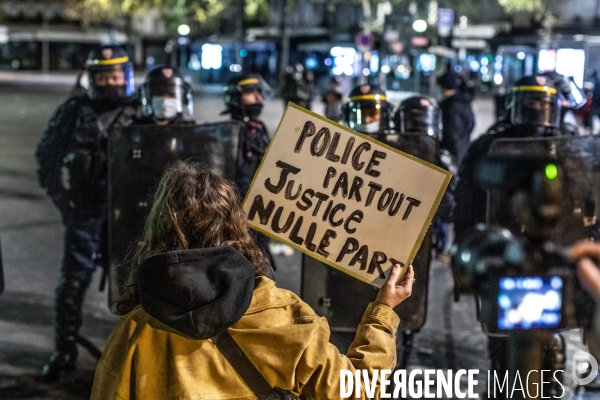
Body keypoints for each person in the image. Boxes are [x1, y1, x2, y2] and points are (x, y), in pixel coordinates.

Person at [90, 161, 415, 399]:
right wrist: (382, 312)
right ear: (236, 228)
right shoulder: (282, 315)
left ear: (157, 232)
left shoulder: (133, 333)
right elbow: (356, 391)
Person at [453, 74, 568, 395]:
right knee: (506, 343)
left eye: (541, 103)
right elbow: (468, 202)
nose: (536, 111)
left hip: (553, 252)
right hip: (504, 254)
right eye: (530, 102)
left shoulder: (566, 144)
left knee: (552, 344)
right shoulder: (489, 146)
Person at [35, 43, 141, 381]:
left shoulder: (141, 111)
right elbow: (46, 157)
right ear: (92, 78)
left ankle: (140, 359)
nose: (111, 83)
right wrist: (64, 202)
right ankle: (64, 351)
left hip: (131, 217)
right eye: (104, 76)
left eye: (116, 76)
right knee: (73, 282)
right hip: (86, 213)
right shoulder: (74, 111)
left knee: (140, 287)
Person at [221, 73, 279, 266]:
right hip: (239, 211)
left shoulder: (259, 127)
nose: (258, 98)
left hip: (262, 206)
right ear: (235, 97)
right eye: (250, 93)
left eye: (258, 92)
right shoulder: (228, 131)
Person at [437, 71, 475, 165]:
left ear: (444, 87)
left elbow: (452, 133)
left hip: (453, 154)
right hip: (463, 149)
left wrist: (451, 151)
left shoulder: (451, 106)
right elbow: (471, 124)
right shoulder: (463, 101)